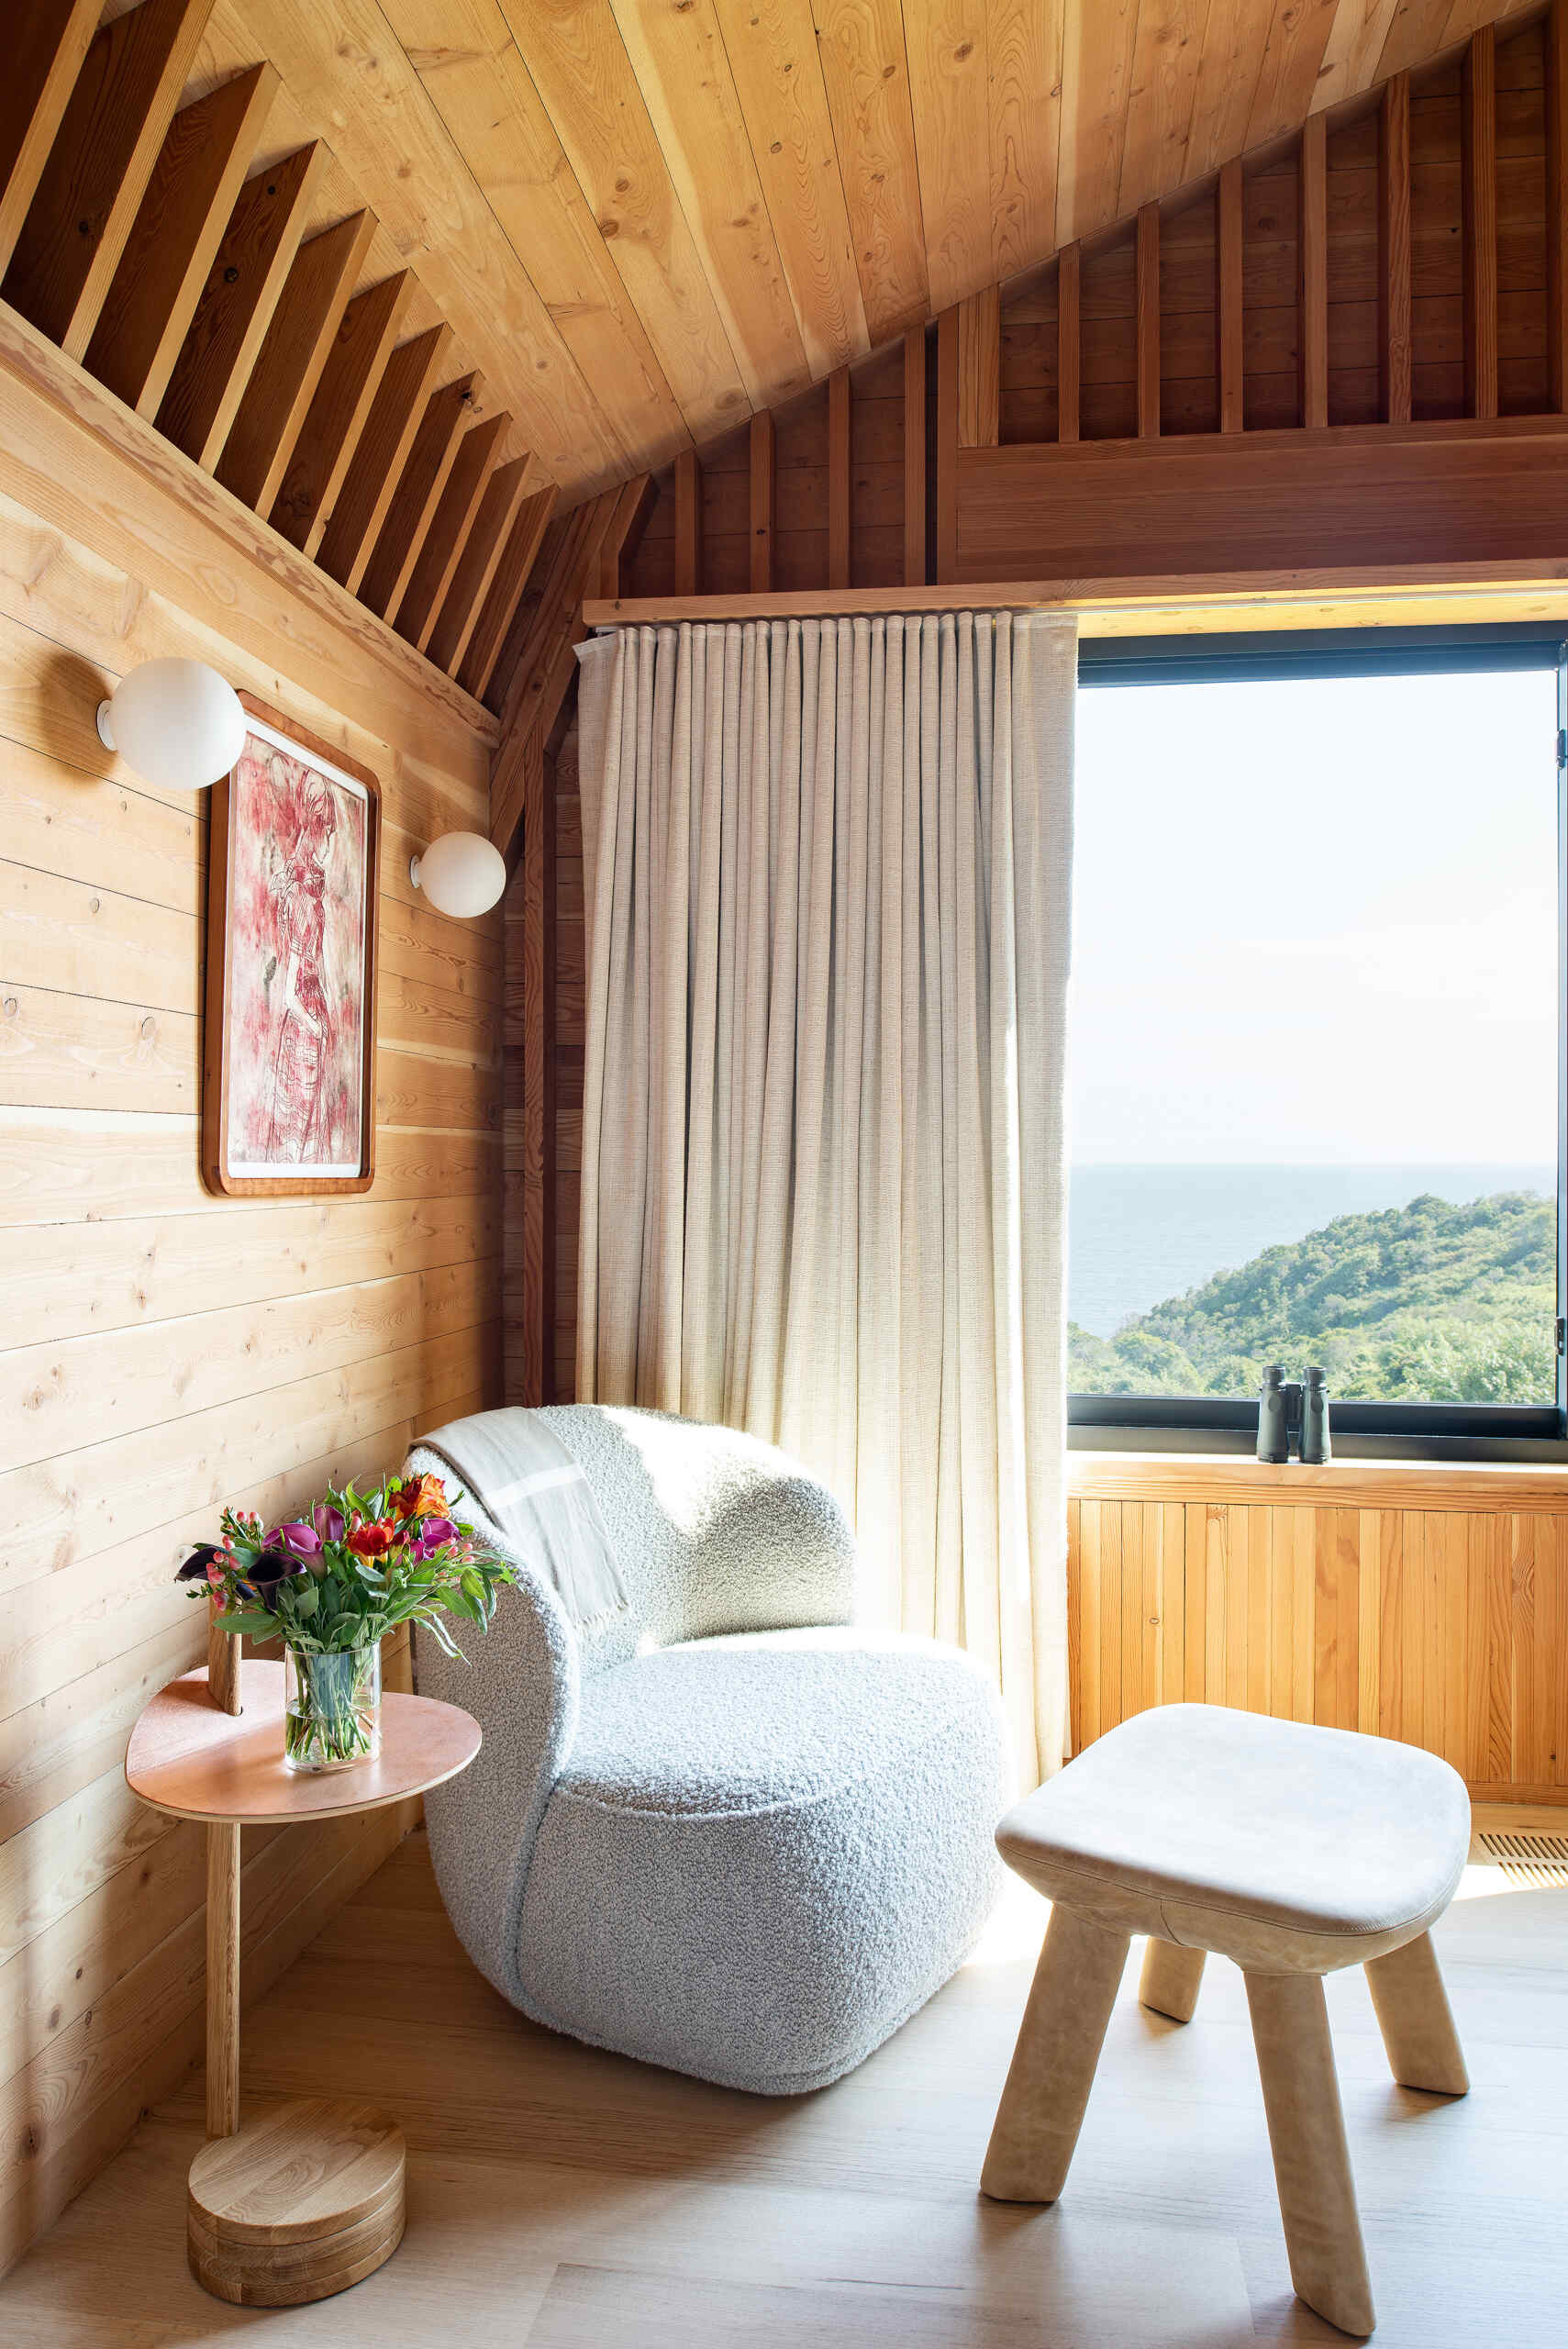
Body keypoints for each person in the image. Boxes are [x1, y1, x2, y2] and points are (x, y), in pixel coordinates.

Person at [265, 759, 338, 1162]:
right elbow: (290, 994)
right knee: (300, 1136)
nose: (329, 847)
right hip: (303, 1034)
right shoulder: (303, 902)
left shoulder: (306, 895)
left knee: (302, 1137)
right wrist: (318, 1029)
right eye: (325, 835)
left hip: (306, 1030)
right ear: (312, 835)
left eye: (331, 836)